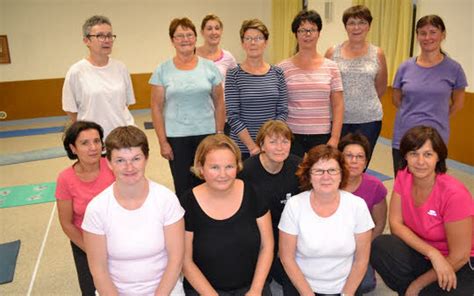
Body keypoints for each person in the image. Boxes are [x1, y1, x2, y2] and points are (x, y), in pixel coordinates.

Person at [371, 125, 474, 295]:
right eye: (413, 154)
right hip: (425, 253)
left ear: (438, 157)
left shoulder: (454, 194)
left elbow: (460, 255)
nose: (420, 162)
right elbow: (395, 224)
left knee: (427, 290)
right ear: (405, 155)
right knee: (381, 246)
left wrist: (417, 285)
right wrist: (432, 253)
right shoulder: (404, 175)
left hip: (460, 263)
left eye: (427, 154)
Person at [82, 126, 185, 295]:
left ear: (146, 158)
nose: (129, 167)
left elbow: (176, 260)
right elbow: (98, 270)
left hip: (165, 290)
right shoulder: (97, 208)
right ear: (108, 162)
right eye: (120, 160)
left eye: (136, 159)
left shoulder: (166, 200)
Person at [182, 134, 274, 295]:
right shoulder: (188, 202)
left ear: (237, 166)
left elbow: (267, 246)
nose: (223, 174)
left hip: (252, 287)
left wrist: (256, 290)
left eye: (229, 166)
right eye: (214, 167)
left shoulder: (253, 193)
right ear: (201, 168)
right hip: (204, 291)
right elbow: (185, 260)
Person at [279, 145, 374, 295]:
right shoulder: (295, 205)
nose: (326, 177)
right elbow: (287, 258)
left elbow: (361, 260)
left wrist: (346, 294)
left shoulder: (357, 205)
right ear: (308, 175)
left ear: (342, 174)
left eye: (332, 170)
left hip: (345, 287)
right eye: (318, 171)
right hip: (303, 286)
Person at [150, 17, 225, 201]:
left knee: (209, 181)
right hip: (177, 138)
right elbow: (156, 108)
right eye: (180, 35)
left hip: (207, 135)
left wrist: (220, 133)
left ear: (195, 38)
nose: (185, 39)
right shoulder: (162, 70)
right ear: (172, 40)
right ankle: (186, 224)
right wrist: (162, 141)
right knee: (183, 186)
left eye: (189, 35)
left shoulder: (209, 67)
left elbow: (219, 102)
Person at [391, 15, 467, 176]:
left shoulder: (454, 69)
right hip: (404, 136)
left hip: (436, 139)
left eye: (433, 32)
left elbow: (458, 104)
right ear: (417, 35)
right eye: (422, 33)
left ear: (443, 35)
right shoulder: (405, 67)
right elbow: (396, 99)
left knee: (432, 189)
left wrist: (436, 116)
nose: (427, 37)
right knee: (402, 188)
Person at [239, 120, 301, 290]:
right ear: (262, 145)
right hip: (258, 229)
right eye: (273, 142)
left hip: (288, 229)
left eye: (285, 141)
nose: (280, 147)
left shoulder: (298, 166)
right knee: (260, 278)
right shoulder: (246, 171)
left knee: (286, 279)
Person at [55, 121, 115, 295]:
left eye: (97, 141)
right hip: (85, 243)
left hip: (118, 237)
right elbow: (66, 224)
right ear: (73, 148)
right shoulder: (65, 179)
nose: (93, 147)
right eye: (85, 143)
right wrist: (93, 251)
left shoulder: (113, 165)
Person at [325, 5, 387, 165]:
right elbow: (327, 87)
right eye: (351, 23)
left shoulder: (377, 53)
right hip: (338, 120)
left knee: (358, 165)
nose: (356, 27)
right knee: (336, 164)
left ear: (369, 26)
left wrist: (361, 102)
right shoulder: (333, 52)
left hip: (369, 120)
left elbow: (380, 88)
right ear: (345, 26)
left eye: (362, 22)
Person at [278, 10, 344, 158]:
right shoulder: (282, 68)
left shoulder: (331, 67)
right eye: (302, 30)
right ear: (296, 34)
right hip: (291, 134)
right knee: (294, 177)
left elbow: (338, 105)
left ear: (319, 33)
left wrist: (335, 137)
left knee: (320, 176)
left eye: (312, 30)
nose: (307, 34)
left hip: (321, 134)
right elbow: (278, 104)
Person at [62, 15, 135, 138]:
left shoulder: (120, 68)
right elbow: (70, 110)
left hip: (121, 137)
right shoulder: (76, 71)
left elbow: (125, 104)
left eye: (109, 35)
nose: (107, 40)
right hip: (93, 140)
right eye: (100, 36)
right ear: (86, 40)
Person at [225, 18, 288, 160]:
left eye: (258, 38)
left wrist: (268, 144)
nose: (253, 43)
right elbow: (233, 116)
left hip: (272, 148)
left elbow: (282, 111)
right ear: (242, 43)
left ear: (266, 42)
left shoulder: (278, 73)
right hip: (242, 149)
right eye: (248, 38)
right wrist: (252, 146)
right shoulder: (233, 74)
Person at [338, 132, 387, 293]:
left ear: (366, 161)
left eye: (359, 157)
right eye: (349, 156)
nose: (354, 161)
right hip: (331, 243)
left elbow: (379, 225)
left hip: (360, 244)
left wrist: (361, 249)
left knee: (364, 285)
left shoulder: (376, 186)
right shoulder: (328, 181)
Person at [196, 14, 237, 135]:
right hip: (198, 117)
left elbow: (235, 85)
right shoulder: (192, 54)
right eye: (209, 28)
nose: (214, 32)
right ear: (202, 32)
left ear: (221, 31)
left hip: (222, 116)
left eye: (217, 28)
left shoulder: (228, 57)